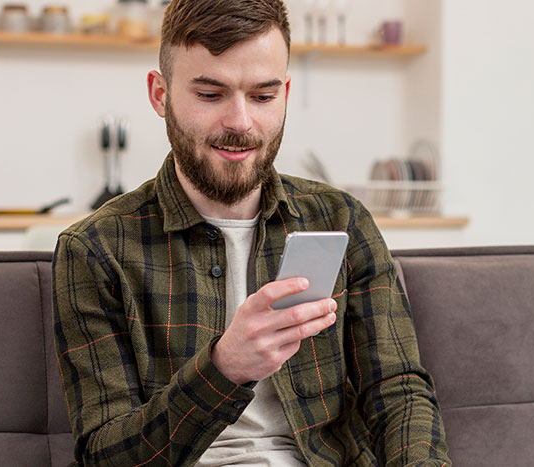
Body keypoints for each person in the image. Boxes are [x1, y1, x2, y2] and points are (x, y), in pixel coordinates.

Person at [52, 0, 450, 465]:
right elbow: (104, 456)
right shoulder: (96, 250)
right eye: (210, 94)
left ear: (284, 92)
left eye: (262, 97)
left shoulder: (341, 219)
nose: (241, 122)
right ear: (160, 94)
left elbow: (397, 391)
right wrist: (223, 368)